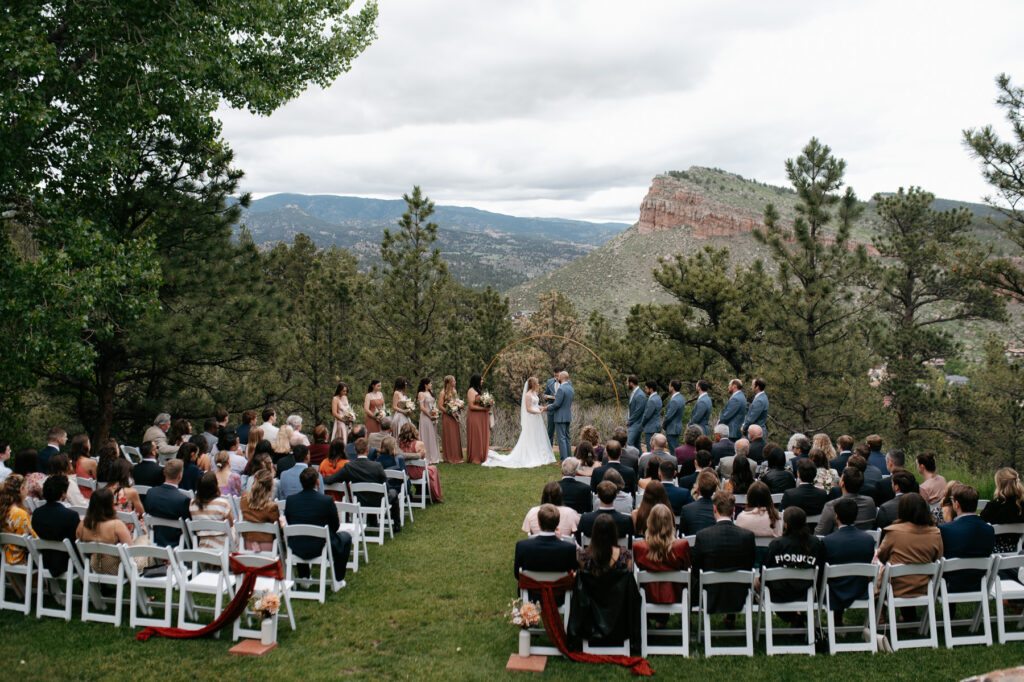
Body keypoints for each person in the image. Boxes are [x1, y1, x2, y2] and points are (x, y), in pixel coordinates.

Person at [877, 493, 943, 620]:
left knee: (882, 572)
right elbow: (938, 559)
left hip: (896, 587)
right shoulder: (935, 533)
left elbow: (881, 556)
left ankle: (880, 614)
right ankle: (908, 617)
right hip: (924, 586)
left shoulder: (894, 532)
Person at [691, 491, 756, 619]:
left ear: (714, 509)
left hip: (711, 593)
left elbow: (696, 568)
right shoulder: (747, 536)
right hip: (738, 593)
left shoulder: (703, 536)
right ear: (733, 511)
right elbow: (749, 564)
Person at [285, 467, 352, 584]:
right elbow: (335, 526)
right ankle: (338, 579)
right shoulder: (326, 500)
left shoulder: (291, 500)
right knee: (346, 537)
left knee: (301, 535)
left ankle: (304, 577)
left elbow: (290, 522)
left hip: (296, 545)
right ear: (317, 482)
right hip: (320, 546)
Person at [325, 437, 402, 532]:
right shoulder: (376, 466)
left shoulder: (349, 466)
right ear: (368, 449)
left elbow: (331, 479)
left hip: (358, 501)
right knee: (393, 493)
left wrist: (318, 477)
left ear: (355, 449)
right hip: (377, 502)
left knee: (372, 495)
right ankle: (397, 525)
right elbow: (386, 486)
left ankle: (374, 522)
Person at [822, 497, 876, 625]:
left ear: (836, 516)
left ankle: (836, 619)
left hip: (835, 591)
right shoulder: (868, 540)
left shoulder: (828, 541)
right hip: (860, 589)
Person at [483, 377, 555, 469]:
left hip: (537, 418)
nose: (538, 385)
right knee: (531, 435)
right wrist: (538, 412)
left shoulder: (534, 393)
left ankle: (540, 453)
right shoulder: (528, 395)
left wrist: (542, 408)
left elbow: (535, 405)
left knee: (537, 435)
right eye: (537, 383)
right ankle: (530, 455)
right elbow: (528, 409)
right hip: (532, 418)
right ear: (532, 384)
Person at [763, 507, 824, 609]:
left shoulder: (777, 544)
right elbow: (821, 568)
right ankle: (796, 615)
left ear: (785, 524)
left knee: (757, 583)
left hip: (779, 593)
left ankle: (792, 616)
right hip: (807, 591)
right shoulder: (815, 543)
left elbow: (764, 570)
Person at [939, 484, 995, 595]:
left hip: (950, 584)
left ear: (956, 504)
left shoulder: (944, 529)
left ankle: (949, 612)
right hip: (980, 583)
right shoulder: (989, 529)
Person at [633, 504, 691, 608]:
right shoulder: (681, 546)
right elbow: (686, 567)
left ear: (650, 522)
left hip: (648, 594)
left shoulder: (639, 547)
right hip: (676, 593)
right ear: (670, 523)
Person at [513, 504, 578, 580]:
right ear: (558, 522)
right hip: (559, 591)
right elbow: (574, 574)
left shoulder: (522, 547)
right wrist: (562, 541)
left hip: (533, 591)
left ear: (538, 522)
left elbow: (518, 575)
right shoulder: (569, 549)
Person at [32, 476, 80, 576]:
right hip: (67, 562)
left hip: (42, 560)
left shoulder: (37, 513)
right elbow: (76, 541)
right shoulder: (71, 516)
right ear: (63, 494)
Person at [76, 488, 131, 573]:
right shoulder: (116, 525)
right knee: (145, 542)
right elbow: (130, 550)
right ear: (109, 504)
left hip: (94, 565)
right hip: (117, 567)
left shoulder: (82, 525)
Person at [815, 466, 877, 535]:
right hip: (864, 543)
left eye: (841, 477)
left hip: (838, 543)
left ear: (842, 484)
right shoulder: (870, 502)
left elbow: (820, 533)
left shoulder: (832, 506)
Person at [145, 459, 191, 547]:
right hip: (176, 544)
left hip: (155, 541)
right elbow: (187, 526)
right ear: (180, 475)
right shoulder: (183, 500)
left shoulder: (151, 493)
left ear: (164, 473)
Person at [980, 467, 1024, 554]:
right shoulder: (1021, 505)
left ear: (999, 484)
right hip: (1016, 550)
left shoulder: (994, 506)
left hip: (993, 551)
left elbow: (981, 526)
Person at [188, 471, 235, 550]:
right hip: (224, 545)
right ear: (215, 486)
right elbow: (230, 524)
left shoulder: (192, 504)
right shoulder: (222, 504)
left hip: (203, 544)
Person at [399, 424, 443, 503]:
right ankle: (435, 495)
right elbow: (422, 458)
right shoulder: (419, 444)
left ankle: (422, 493)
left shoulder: (399, 445)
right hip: (417, 473)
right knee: (433, 469)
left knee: (429, 468)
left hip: (405, 472)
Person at [240, 469, 281, 552]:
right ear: (271, 486)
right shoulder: (271, 507)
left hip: (247, 542)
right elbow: (278, 530)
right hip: (267, 545)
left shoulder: (244, 498)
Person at [0, 475, 36, 563]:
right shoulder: (19, 514)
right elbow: (34, 540)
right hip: (22, 558)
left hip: (7, 557)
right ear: (21, 489)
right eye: (26, 488)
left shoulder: (4, 511)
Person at [106, 458, 146, 536]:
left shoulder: (103, 491)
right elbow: (142, 514)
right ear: (126, 474)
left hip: (109, 528)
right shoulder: (130, 492)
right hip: (126, 530)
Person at [681, 470, 719, 536]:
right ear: (714, 490)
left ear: (698, 489)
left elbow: (682, 535)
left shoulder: (686, 509)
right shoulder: (719, 511)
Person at [465, 373, 491, 464]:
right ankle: (475, 456)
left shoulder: (478, 390)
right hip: (474, 416)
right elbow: (471, 406)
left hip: (482, 416)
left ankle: (482, 455)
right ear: (477, 381)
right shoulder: (471, 391)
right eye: (481, 380)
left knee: (482, 434)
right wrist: (484, 409)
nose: (482, 381)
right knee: (476, 435)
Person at [414, 377, 441, 465]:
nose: (431, 385)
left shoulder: (430, 393)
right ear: (425, 385)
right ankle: (427, 456)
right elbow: (422, 407)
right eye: (430, 384)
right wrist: (429, 416)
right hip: (426, 417)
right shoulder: (421, 393)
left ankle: (434, 456)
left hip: (432, 416)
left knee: (433, 435)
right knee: (427, 435)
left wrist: (435, 413)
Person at [549, 371, 575, 461]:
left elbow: (556, 404)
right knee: (567, 438)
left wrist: (546, 408)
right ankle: (569, 458)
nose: (557, 378)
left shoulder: (561, 389)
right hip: (568, 415)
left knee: (561, 439)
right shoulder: (571, 388)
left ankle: (563, 460)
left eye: (559, 376)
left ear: (562, 378)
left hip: (560, 417)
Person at [439, 375, 464, 464]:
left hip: (454, 416)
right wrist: (448, 411)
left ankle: (457, 456)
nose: (455, 382)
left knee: (455, 435)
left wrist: (458, 409)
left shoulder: (454, 391)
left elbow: (456, 402)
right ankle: (449, 456)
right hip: (447, 416)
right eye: (453, 381)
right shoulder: (443, 393)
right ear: (449, 383)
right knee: (449, 435)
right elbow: (440, 406)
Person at [69, 434, 96, 499]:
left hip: (74, 497)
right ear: (85, 446)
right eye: (89, 442)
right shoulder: (91, 462)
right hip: (89, 498)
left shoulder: (69, 463)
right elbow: (98, 482)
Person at [662, 379, 686, 452]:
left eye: (669, 385)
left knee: (673, 450)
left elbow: (669, 416)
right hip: (677, 427)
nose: (669, 387)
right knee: (675, 448)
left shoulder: (674, 400)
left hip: (672, 428)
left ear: (672, 387)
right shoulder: (681, 398)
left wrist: (664, 424)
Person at [640, 380, 663, 451]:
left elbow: (647, 415)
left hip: (650, 428)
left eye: (646, 388)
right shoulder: (658, 398)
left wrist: (642, 424)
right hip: (657, 426)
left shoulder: (652, 400)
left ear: (651, 389)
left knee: (650, 449)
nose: (645, 389)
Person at [626, 375, 646, 451]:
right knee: (637, 446)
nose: (627, 384)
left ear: (631, 383)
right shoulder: (633, 393)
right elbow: (630, 409)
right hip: (633, 424)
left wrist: (629, 421)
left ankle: (631, 461)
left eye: (627, 383)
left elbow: (638, 411)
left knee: (629, 444)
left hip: (637, 424)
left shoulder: (640, 395)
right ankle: (640, 461)